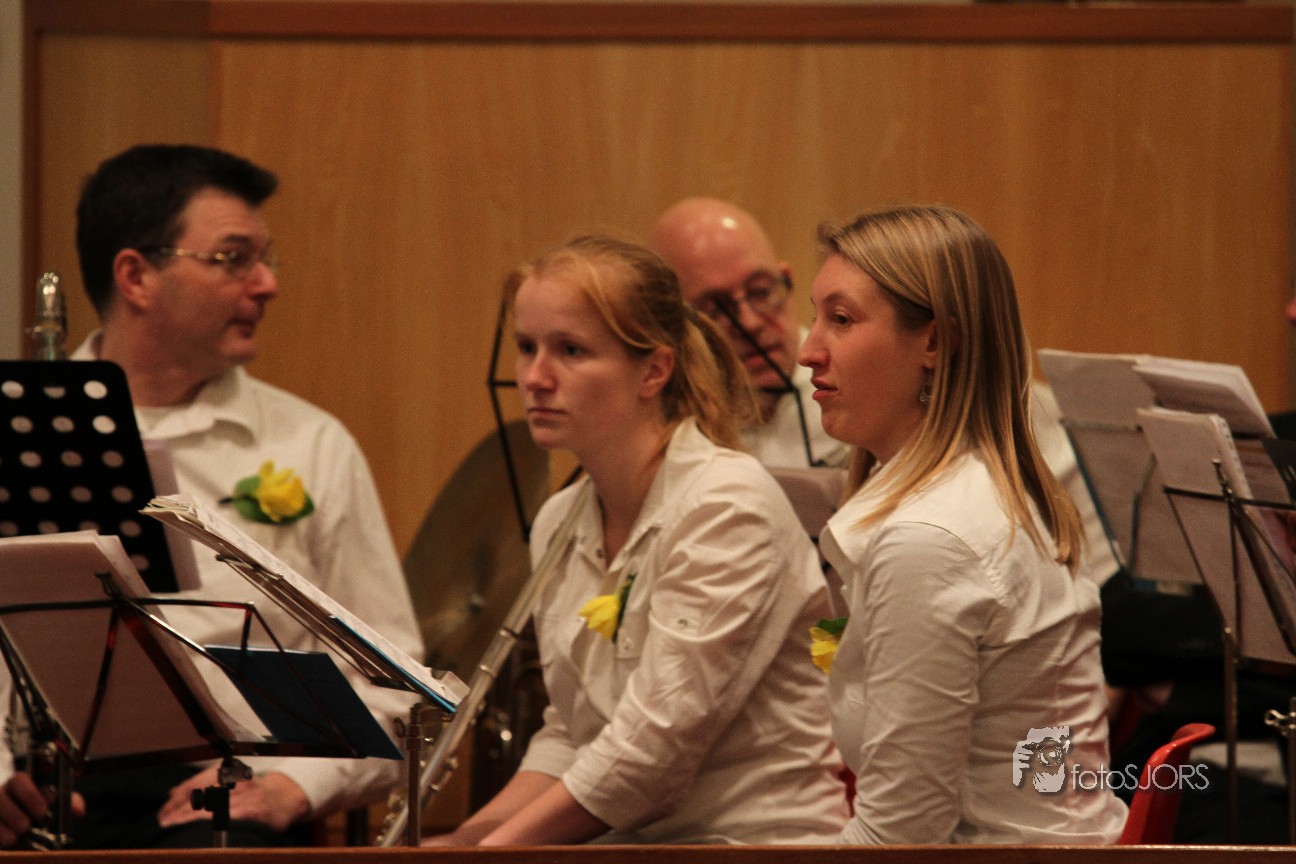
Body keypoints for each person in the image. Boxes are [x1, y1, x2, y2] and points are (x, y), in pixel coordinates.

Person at [0, 144, 423, 848]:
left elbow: (397, 682)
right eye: (233, 259)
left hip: (231, 800)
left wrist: (292, 786)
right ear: (136, 276)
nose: (267, 284)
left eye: (265, 259)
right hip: (44, 792)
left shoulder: (312, 443)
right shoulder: (17, 432)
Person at [424, 235, 847, 845]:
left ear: (653, 370)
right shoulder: (561, 518)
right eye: (527, 347)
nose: (535, 378)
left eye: (570, 350)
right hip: (630, 848)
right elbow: (572, 734)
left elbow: (649, 757)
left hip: (754, 849)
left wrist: (489, 855)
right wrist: (461, 844)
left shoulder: (726, 504)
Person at [800, 204, 1127, 844]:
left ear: (934, 342)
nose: (808, 351)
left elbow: (899, 839)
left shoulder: (929, 541)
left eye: (840, 320)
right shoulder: (979, 495)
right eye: (815, 317)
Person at [651, 197, 849, 469]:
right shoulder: (658, 427)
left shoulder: (858, 391)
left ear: (786, 278)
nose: (749, 323)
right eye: (716, 309)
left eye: (761, 292)